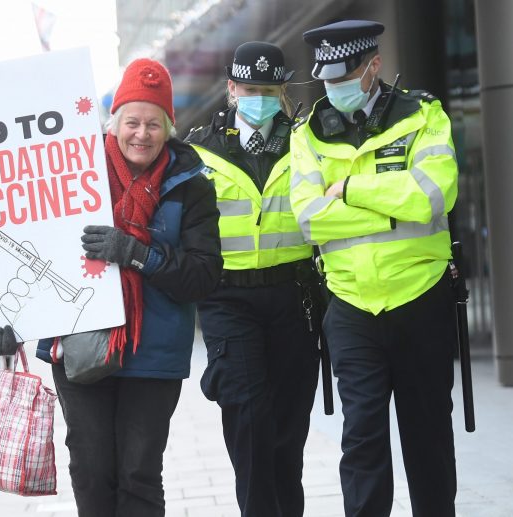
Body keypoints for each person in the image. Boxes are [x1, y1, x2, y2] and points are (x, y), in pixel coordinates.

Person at [0, 57, 222, 517]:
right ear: (113, 122)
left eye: (154, 124)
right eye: (132, 121)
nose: (142, 133)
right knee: (91, 469)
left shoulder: (192, 186)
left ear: (169, 128)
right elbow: (25, 248)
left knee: (138, 473)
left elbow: (203, 276)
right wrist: (3, 326)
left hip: (154, 354)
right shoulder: (70, 172)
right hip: (79, 346)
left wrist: (137, 253)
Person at [289, 20, 460, 517]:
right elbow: (308, 217)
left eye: (344, 79)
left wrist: (350, 189)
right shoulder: (309, 134)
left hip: (421, 295)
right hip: (350, 303)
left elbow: (433, 195)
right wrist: (392, 206)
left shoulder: (421, 115)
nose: (334, 89)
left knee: (427, 434)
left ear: (373, 67)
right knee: (361, 436)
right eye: (327, 81)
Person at [184, 41, 321, 517]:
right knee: (248, 417)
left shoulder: (308, 140)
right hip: (228, 300)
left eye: (268, 89)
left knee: (288, 427)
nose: (258, 97)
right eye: (249, 88)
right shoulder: (200, 149)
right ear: (232, 89)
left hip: (294, 296)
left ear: (281, 91)